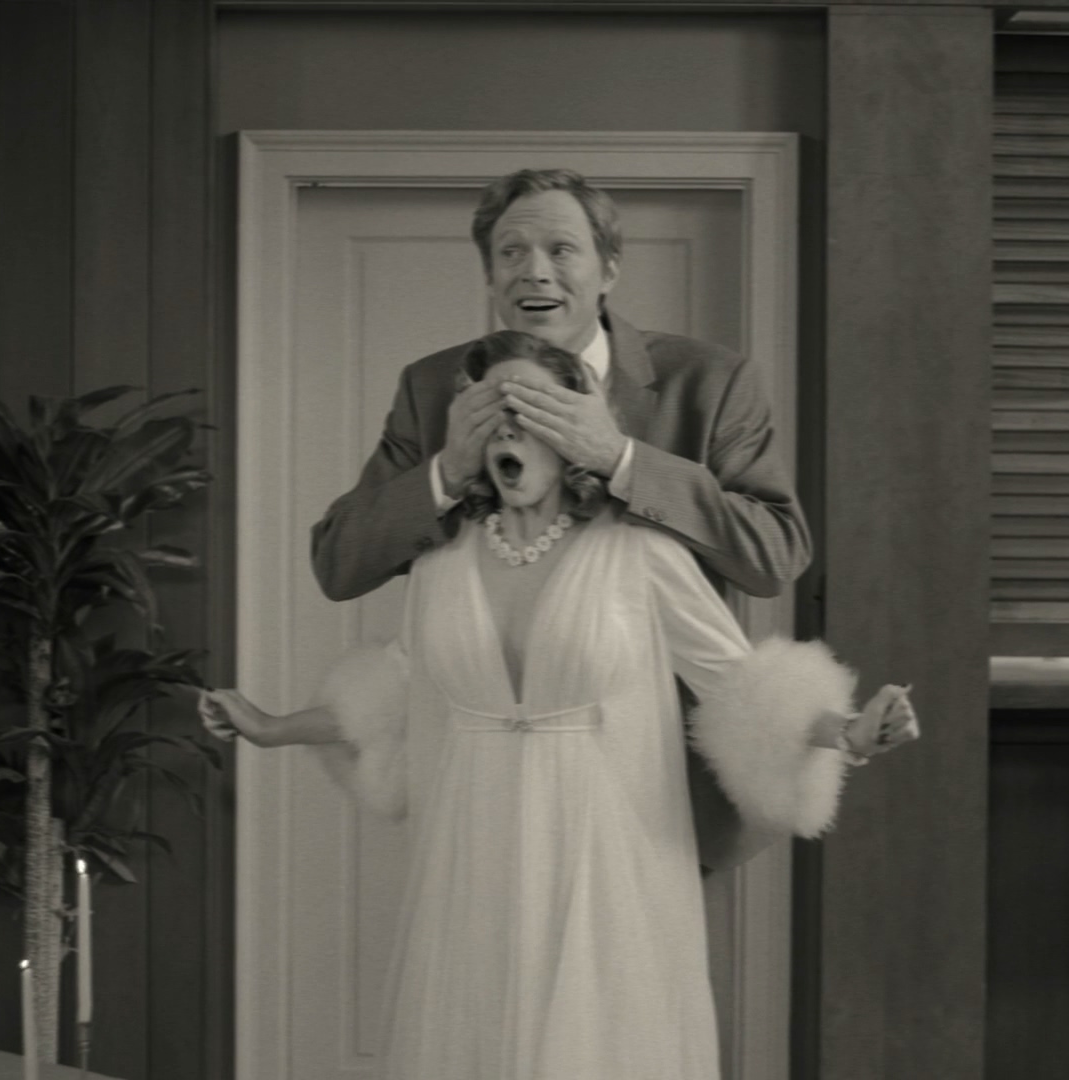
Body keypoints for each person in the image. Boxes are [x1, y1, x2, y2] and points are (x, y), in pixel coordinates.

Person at [202, 331, 919, 1080]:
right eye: (492, 412)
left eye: (532, 409)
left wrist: (850, 732)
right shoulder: (440, 560)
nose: (510, 429)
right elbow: (401, 690)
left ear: (576, 429)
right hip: (473, 847)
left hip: (605, 848)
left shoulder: (640, 551)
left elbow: (740, 687)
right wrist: (272, 728)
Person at [308, 167, 814, 871]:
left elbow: (775, 554)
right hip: (479, 786)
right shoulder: (432, 388)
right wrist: (447, 470)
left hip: (658, 787)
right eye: (511, 252)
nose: (535, 271)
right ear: (490, 275)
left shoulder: (709, 381)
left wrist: (622, 459)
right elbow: (338, 562)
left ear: (609, 268)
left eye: (561, 249)